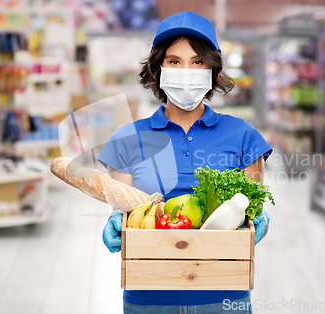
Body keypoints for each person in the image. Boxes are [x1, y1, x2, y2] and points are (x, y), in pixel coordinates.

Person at [99, 11, 272, 313]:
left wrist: (259, 222)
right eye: (174, 61)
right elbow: (124, 209)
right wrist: (116, 221)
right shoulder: (127, 139)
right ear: (158, 68)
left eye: (197, 62)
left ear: (212, 69)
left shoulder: (244, 136)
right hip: (149, 297)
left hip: (224, 297)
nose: (186, 70)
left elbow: (253, 211)